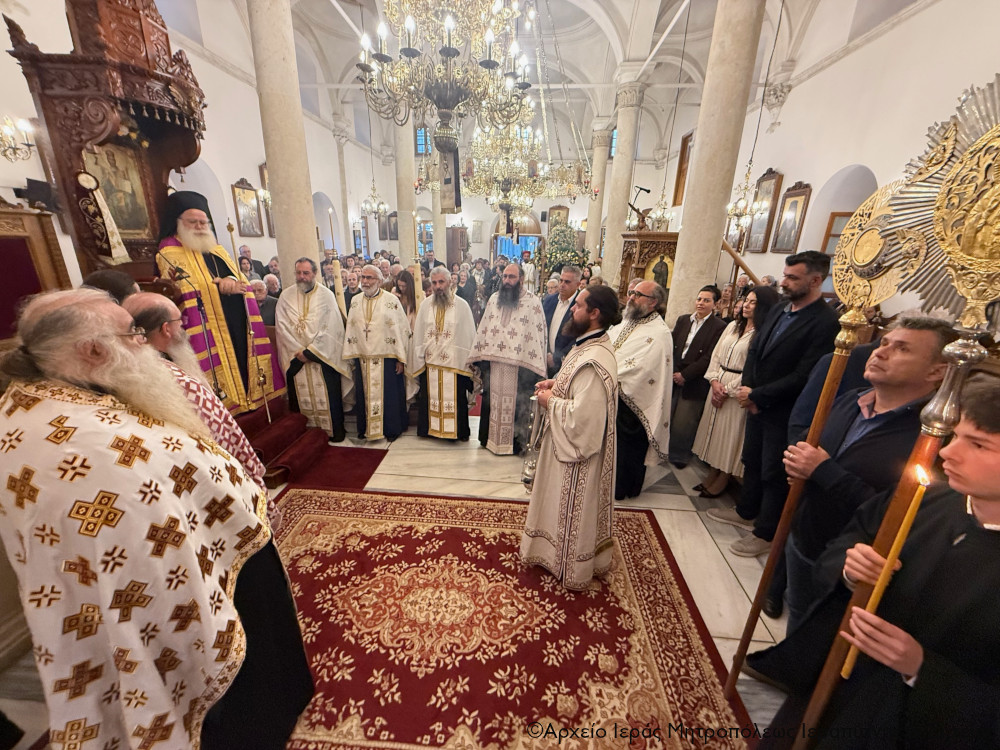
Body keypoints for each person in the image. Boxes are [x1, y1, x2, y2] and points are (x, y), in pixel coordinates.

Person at [0, 288, 313, 750]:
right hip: (158, 600)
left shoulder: (49, 400)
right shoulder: (80, 440)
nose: (142, 342)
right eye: (131, 333)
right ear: (92, 350)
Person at [748, 378, 1000, 749]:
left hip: (918, 722)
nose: (948, 453)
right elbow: (852, 537)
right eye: (957, 435)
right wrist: (851, 569)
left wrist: (922, 670)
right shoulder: (927, 500)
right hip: (839, 683)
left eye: (978, 444)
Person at [777, 317, 954, 631]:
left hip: (857, 567)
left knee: (830, 641)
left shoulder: (934, 439)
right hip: (806, 538)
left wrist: (823, 470)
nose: (880, 352)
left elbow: (906, 517)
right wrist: (798, 463)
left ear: (936, 371)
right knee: (799, 619)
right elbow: (809, 441)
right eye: (884, 343)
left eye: (902, 349)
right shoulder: (850, 400)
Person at [709, 251, 840, 557]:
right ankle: (746, 510)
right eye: (785, 275)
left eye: (793, 278)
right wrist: (748, 389)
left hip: (785, 410)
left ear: (816, 280)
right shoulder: (781, 309)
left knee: (773, 471)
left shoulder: (825, 322)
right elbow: (756, 349)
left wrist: (758, 395)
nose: (785, 282)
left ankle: (766, 531)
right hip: (755, 401)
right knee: (751, 459)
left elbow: (805, 374)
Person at [520, 286, 622, 589]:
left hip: (576, 455)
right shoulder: (587, 345)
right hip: (562, 441)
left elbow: (584, 419)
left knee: (568, 509)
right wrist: (557, 382)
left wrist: (550, 401)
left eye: (577, 305)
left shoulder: (595, 358)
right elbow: (576, 386)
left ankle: (567, 562)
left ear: (594, 314)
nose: (571, 310)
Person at [155, 191, 284, 413]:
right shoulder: (168, 250)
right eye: (192, 222)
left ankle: (250, 397)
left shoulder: (216, 248)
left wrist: (233, 282)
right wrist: (217, 286)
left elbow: (240, 279)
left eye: (203, 222)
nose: (199, 226)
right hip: (204, 325)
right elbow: (183, 289)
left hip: (232, 317)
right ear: (178, 223)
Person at [122, 291, 267, 489]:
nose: (183, 326)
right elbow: (221, 430)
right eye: (180, 320)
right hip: (202, 472)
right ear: (166, 329)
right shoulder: (177, 380)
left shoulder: (124, 373)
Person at [693, 287, 780, 498]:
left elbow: (754, 367)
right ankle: (713, 471)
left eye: (753, 302)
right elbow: (715, 355)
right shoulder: (732, 325)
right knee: (712, 432)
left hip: (737, 388)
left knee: (729, 436)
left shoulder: (762, 333)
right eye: (746, 300)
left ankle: (724, 477)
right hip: (718, 380)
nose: (746, 305)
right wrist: (714, 380)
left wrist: (728, 390)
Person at [469, 263, 547, 455]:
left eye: (511, 277)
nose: (507, 281)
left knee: (518, 404)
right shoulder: (494, 299)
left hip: (520, 368)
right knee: (491, 402)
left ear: (521, 279)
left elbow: (537, 335)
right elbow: (485, 329)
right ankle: (488, 439)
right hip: (494, 365)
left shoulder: (533, 302)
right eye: (504, 277)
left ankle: (516, 444)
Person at [607, 280, 673, 500]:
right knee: (613, 446)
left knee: (630, 449)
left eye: (638, 294)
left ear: (653, 302)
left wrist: (609, 375)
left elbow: (643, 367)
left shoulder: (660, 333)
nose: (632, 298)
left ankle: (626, 488)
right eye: (631, 293)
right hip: (614, 393)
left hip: (636, 400)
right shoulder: (628, 321)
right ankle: (610, 485)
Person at [276, 258, 352, 443]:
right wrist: (298, 352)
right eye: (298, 273)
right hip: (295, 359)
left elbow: (331, 329)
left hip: (323, 358)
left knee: (329, 400)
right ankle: (304, 435)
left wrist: (310, 352)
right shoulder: (285, 296)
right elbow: (282, 327)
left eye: (306, 273)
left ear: (314, 274)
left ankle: (332, 434)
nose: (302, 277)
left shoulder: (326, 295)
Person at [343, 265, 411, 441]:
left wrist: (400, 359)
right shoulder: (355, 301)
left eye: (370, 278)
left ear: (380, 281)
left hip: (386, 358)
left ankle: (391, 429)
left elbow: (401, 330)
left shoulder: (391, 301)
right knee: (363, 395)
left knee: (390, 396)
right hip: (363, 358)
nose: (365, 281)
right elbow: (351, 328)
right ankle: (365, 428)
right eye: (363, 277)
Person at [412, 267, 477, 441]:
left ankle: (458, 432)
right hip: (431, 364)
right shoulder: (425, 305)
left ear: (450, 282)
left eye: (441, 282)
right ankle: (429, 430)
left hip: (454, 366)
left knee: (456, 400)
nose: (438, 286)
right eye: (434, 283)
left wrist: (469, 361)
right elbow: (419, 333)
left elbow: (468, 335)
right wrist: (418, 357)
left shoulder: (462, 306)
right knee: (429, 398)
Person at [668, 285, 727, 468]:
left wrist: (685, 375)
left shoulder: (719, 327)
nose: (701, 303)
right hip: (675, 372)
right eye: (699, 299)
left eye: (706, 300)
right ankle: (663, 449)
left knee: (684, 420)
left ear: (715, 304)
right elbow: (673, 344)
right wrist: (674, 370)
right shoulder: (684, 320)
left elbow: (710, 356)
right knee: (668, 414)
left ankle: (680, 455)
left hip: (695, 377)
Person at [542, 265, 582, 377]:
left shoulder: (580, 305)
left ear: (578, 285)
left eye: (567, 282)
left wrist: (556, 358)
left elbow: (579, 336)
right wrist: (545, 353)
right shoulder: (549, 300)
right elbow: (541, 326)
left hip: (565, 364)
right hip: (543, 359)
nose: (562, 285)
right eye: (561, 280)